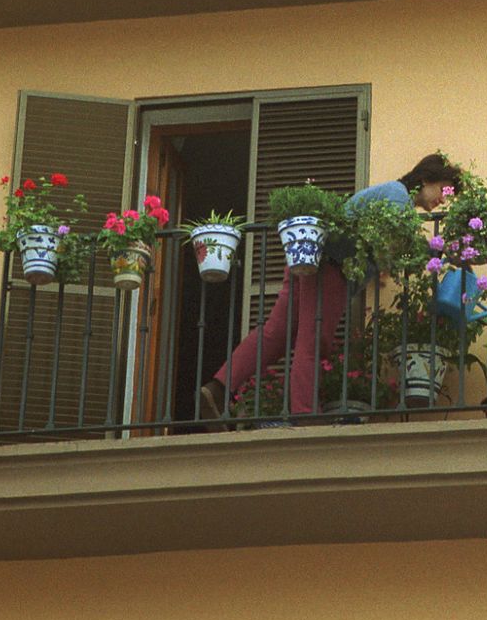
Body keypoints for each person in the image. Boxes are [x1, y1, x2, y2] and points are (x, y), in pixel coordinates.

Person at [197, 153, 462, 421]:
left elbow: (381, 245)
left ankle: (218, 388)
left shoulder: (394, 195)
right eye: (443, 190)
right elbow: (395, 243)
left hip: (311, 258)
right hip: (331, 267)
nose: (442, 199)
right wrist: (438, 252)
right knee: (314, 340)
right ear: (426, 179)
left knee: (277, 332)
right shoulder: (399, 195)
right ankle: (305, 414)